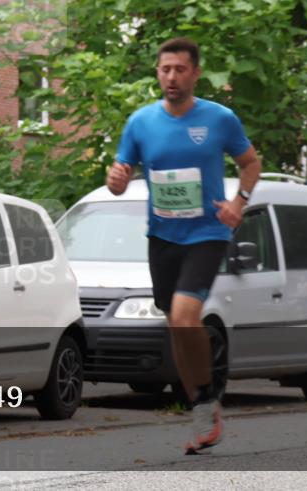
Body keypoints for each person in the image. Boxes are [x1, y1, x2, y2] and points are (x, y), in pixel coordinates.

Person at [106, 37, 261, 455]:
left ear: (194, 73)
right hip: (162, 236)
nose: (171, 77)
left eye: (179, 69)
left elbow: (251, 163)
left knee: (184, 313)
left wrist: (238, 203)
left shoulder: (219, 119)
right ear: (157, 73)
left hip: (208, 233)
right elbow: (120, 174)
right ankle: (200, 404)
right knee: (174, 322)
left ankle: (207, 397)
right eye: (164, 69)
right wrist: (116, 181)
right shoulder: (140, 122)